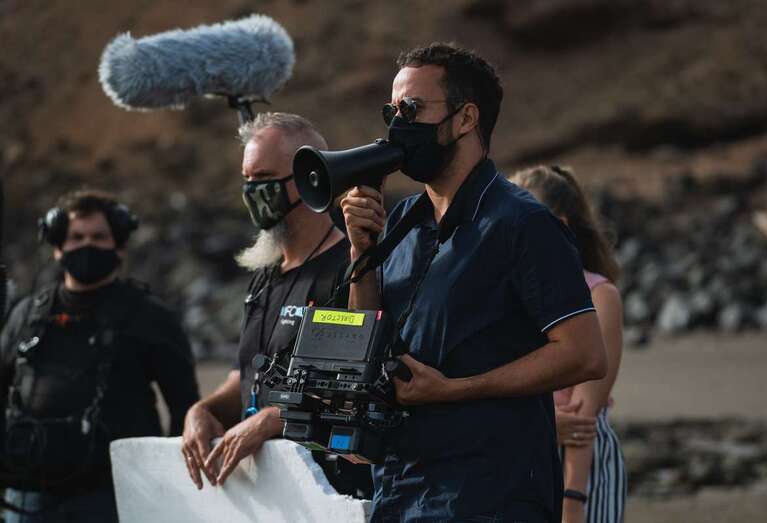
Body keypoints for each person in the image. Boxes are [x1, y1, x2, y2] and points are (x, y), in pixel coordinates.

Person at [342, 43, 608, 522]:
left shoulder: (521, 223)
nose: (397, 124)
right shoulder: (403, 220)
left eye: (413, 109)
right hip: (401, 489)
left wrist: (457, 389)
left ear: (466, 119)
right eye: (392, 110)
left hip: (488, 495)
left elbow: (585, 352)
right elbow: (368, 332)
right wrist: (361, 252)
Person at [180, 112, 373, 498]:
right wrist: (202, 411)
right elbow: (247, 375)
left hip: (330, 494)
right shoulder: (265, 276)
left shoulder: (352, 269)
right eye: (247, 180)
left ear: (310, 179)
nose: (252, 191)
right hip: (268, 496)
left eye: (264, 179)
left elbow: (350, 388)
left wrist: (274, 418)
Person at [0, 189, 199, 522]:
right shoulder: (27, 313)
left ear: (119, 245)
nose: (86, 245)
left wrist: (164, 485)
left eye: (98, 237)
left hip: (114, 495)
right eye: (76, 237)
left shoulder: (150, 317)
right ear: (57, 245)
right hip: (28, 495)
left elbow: (186, 408)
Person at [511, 165, 626, 523]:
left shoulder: (598, 295)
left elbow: (582, 416)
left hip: (579, 465)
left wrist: (573, 500)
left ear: (559, 225)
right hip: (518, 450)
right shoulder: (506, 293)